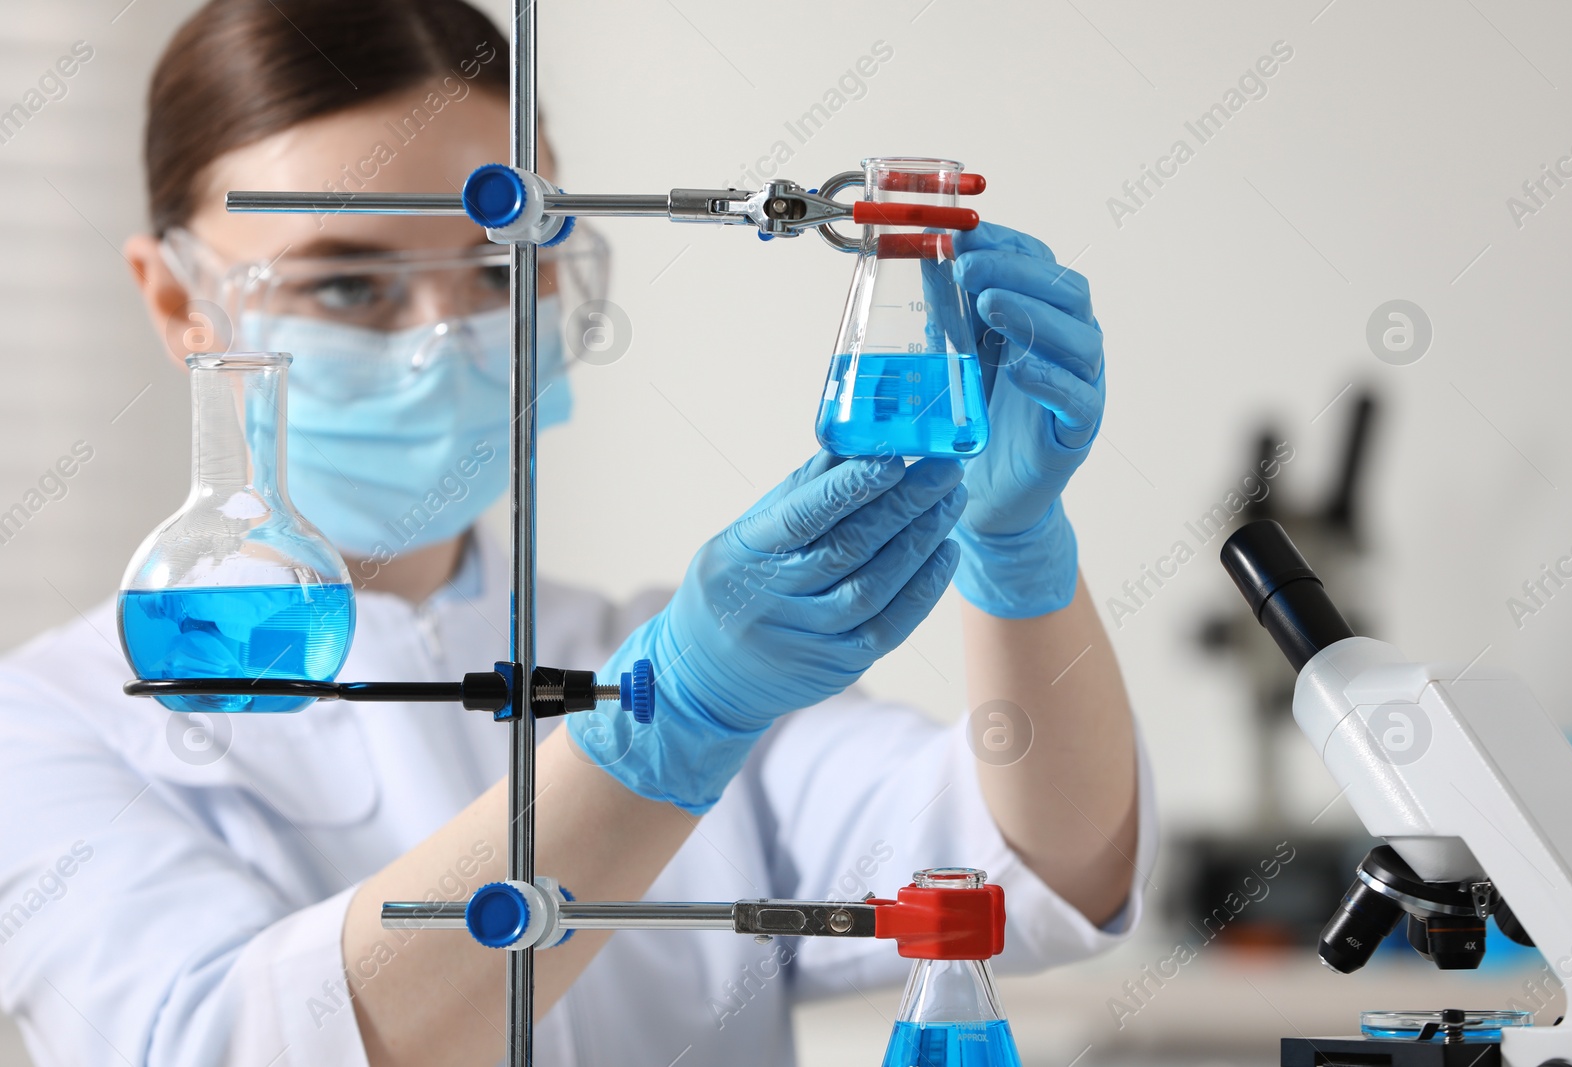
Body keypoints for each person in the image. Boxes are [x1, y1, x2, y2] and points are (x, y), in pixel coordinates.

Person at [0, 2, 1154, 1065]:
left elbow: (1045, 862)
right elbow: (215, 1043)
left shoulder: (678, 648)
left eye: (500, 263)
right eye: (348, 285)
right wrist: (668, 724)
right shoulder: (50, 727)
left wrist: (1015, 552)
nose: (446, 333)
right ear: (174, 301)